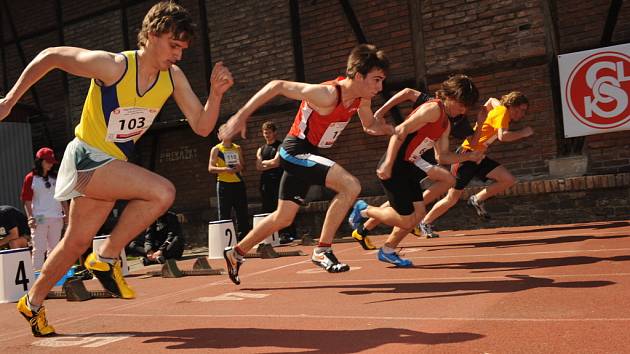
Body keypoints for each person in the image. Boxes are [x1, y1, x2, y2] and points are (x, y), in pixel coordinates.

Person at [0, 1, 233, 337]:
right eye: (173, 46)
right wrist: (8, 101)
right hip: (85, 160)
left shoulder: (172, 78)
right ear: (153, 34)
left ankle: (32, 302)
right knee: (162, 191)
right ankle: (106, 256)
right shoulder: (113, 66)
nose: (178, 55)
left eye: (182, 49)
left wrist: (215, 94)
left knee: (75, 243)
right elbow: (51, 55)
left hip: (110, 166)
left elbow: (201, 125)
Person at [218, 44, 393, 284]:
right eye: (376, 80)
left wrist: (392, 130)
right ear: (359, 76)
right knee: (350, 186)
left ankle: (235, 253)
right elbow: (276, 85)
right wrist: (241, 116)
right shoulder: (327, 94)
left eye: (382, 81)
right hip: (294, 150)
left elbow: (369, 125)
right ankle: (323, 249)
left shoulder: (362, 98)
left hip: (309, 154)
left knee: (283, 218)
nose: (380, 87)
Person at [348, 75, 482, 267]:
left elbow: (442, 157)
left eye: (466, 107)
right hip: (395, 165)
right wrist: (388, 164)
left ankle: (387, 250)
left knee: (417, 216)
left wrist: (468, 157)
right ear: (450, 97)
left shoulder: (446, 122)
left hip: (409, 167)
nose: (463, 110)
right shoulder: (433, 109)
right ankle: (364, 210)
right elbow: (400, 131)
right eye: (461, 105)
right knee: (406, 220)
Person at [421, 91, 533, 229]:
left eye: (524, 111)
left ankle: (477, 199)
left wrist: (484, 111)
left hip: (478, 156)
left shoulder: (500, 109)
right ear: (511, 105)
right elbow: (502, 136)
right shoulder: (503, 112)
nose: (522, 114)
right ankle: (424, 223)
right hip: (466, 156)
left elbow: (492, 98)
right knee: (452, 198)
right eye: (520, 109)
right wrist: (523, 132)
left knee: (508, 179)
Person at [21, 147, 69, 270]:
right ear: (40, 161)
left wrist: (67, 216)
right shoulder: (30, 178)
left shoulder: (56, 177)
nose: (50, 164)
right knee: (39, 249)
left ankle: (52, 277)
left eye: (52, 161)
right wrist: (30, 217)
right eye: (48, 161)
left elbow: (63, 198)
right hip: (39, 218)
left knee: (54, 249)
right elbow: (27, 200)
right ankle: (37, 278)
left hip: (57, 218)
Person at [256, 121, 296, 244]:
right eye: (265, 133)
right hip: (266, 182)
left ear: (274, 132)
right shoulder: (261, 149)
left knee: (282, 208)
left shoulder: (280, 146)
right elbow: (258, 166)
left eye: (269, 132)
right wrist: (267, 164)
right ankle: (273, 235)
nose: (267, 135)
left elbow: (276, 162)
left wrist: (265, 164)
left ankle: (287, 234)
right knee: (268, 207)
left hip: (279, 181)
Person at [208, 136, 251, 241]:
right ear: (219, 135)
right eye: (224, 132)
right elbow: (211, 168)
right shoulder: (216, 149)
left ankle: (244, 240)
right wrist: (225, 169)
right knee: (224, 214)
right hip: (224, 185)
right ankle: (227, 241)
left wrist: (240, 167)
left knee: (242, 213)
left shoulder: (237, 147)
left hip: (238, 183)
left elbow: (243, 166)